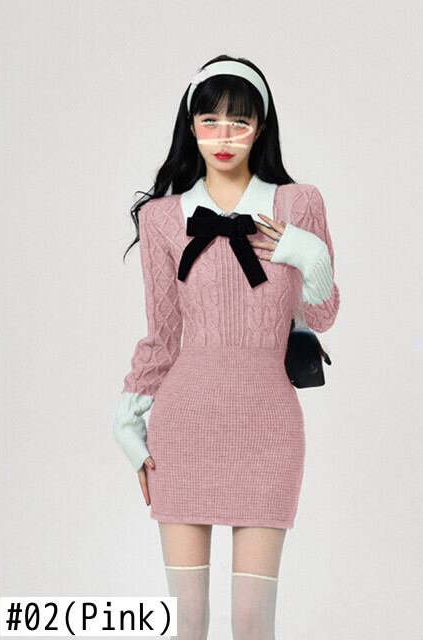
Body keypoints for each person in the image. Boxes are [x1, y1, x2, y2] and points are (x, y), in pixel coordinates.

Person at [112, 54, 341, 639]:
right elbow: (162, 334)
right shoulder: (162, 218)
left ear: (260, 128)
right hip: (184, 425)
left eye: (239, 122)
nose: (223, 135)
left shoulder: (297, 203)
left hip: (269, 426)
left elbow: (322, 315)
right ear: (190, 126)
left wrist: (309, 255)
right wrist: (128, 418)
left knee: (251, 621)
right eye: (209, 120)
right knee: (187, 621)